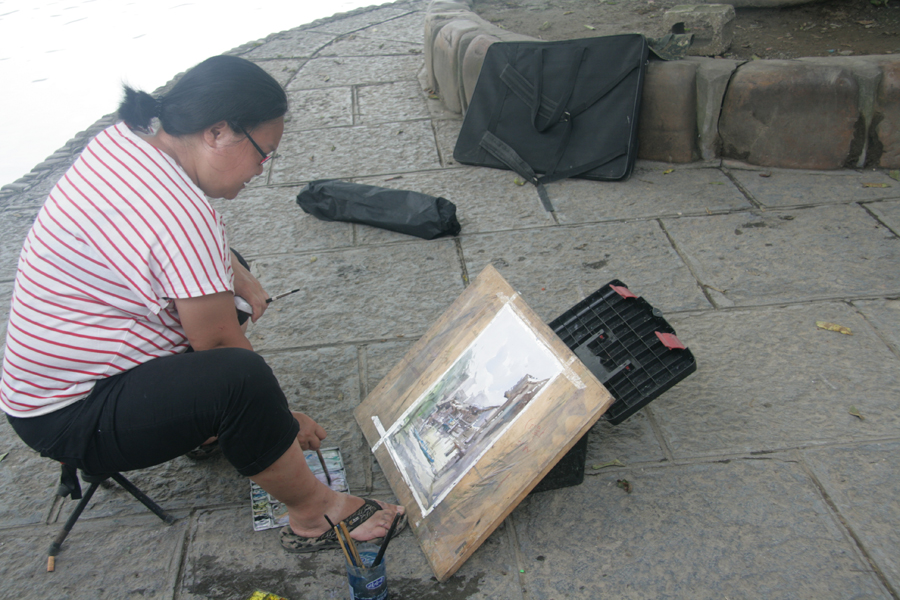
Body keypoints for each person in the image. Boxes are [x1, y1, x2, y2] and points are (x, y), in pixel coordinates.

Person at [0, 55, 404, 552]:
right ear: (217, 132)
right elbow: (218, 344)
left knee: (227, 281)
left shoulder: (128, 142)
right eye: (263, 153)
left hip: (40, 386)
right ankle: (314, 513)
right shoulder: (182, 215)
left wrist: (238, 274)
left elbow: (158, 243)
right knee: (240, 379)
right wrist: (280, 419)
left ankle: (204, 431)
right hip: (73, 413)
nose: (263, 169)